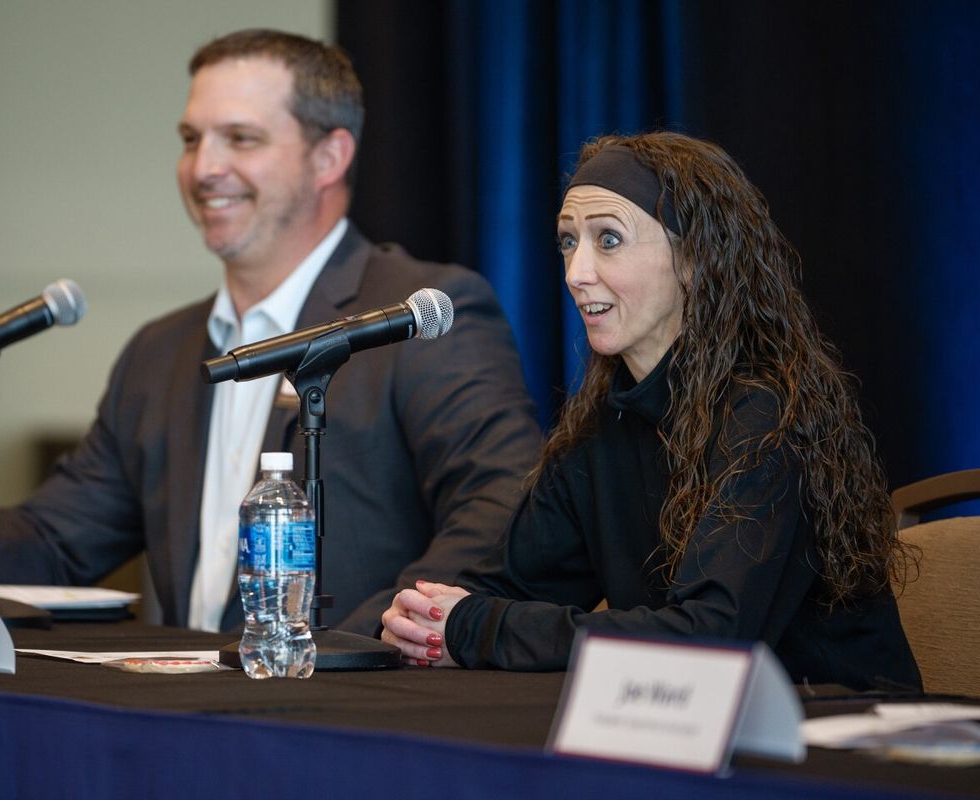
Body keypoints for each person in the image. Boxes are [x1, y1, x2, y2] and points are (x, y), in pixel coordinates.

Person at [0, 29, 540, 635]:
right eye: (190, 139)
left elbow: (502, 505)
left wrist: (375, 636)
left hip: (357, 718)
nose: (203, 168)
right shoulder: (160, 351)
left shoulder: (423, 313)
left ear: (329, 157)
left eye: (240, 138)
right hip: (189, 725)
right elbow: (59, 537)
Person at [381, 131, 922, 691]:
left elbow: (708, 639)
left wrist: (479, 625)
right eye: (568, 242)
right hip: (698, 735)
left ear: (693, 260)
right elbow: (511, 590)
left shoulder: (766, 416)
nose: (575, 273)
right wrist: (425, 617)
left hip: (842, 737)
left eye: (608, 240)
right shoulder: (601, 428)